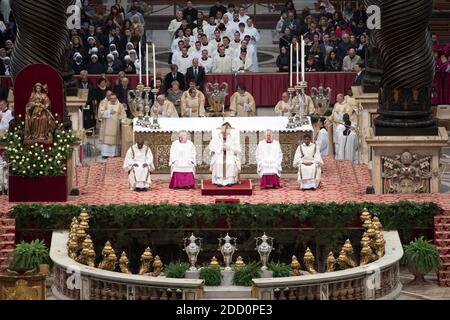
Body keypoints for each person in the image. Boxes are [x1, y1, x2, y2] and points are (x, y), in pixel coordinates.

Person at [209, 122, 241, 186]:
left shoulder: (233, 137)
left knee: (231, 162)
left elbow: (238, 148)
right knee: (219, 162)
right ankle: (219, 181)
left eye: (227, 132)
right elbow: (211, 146)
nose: (225, 133)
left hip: (230, 154)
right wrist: (220, 148)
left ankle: (230, 181)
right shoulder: (216, 136)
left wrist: (229, 148)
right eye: (224, 132)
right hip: (219, 154)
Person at [99, 93, 126, 158]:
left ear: (116, 98)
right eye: (111, 98)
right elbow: (100, 113)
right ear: (109, 98)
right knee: (106, 141)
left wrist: (123, 121)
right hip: (107, 126)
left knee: (114, 140)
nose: (113, 100)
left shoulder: (120, 105)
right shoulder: (105, 104)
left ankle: (114, 154)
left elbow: (123, 114)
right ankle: (105, 154)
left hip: (115, 126)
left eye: (114, 98)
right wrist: (109, 112)